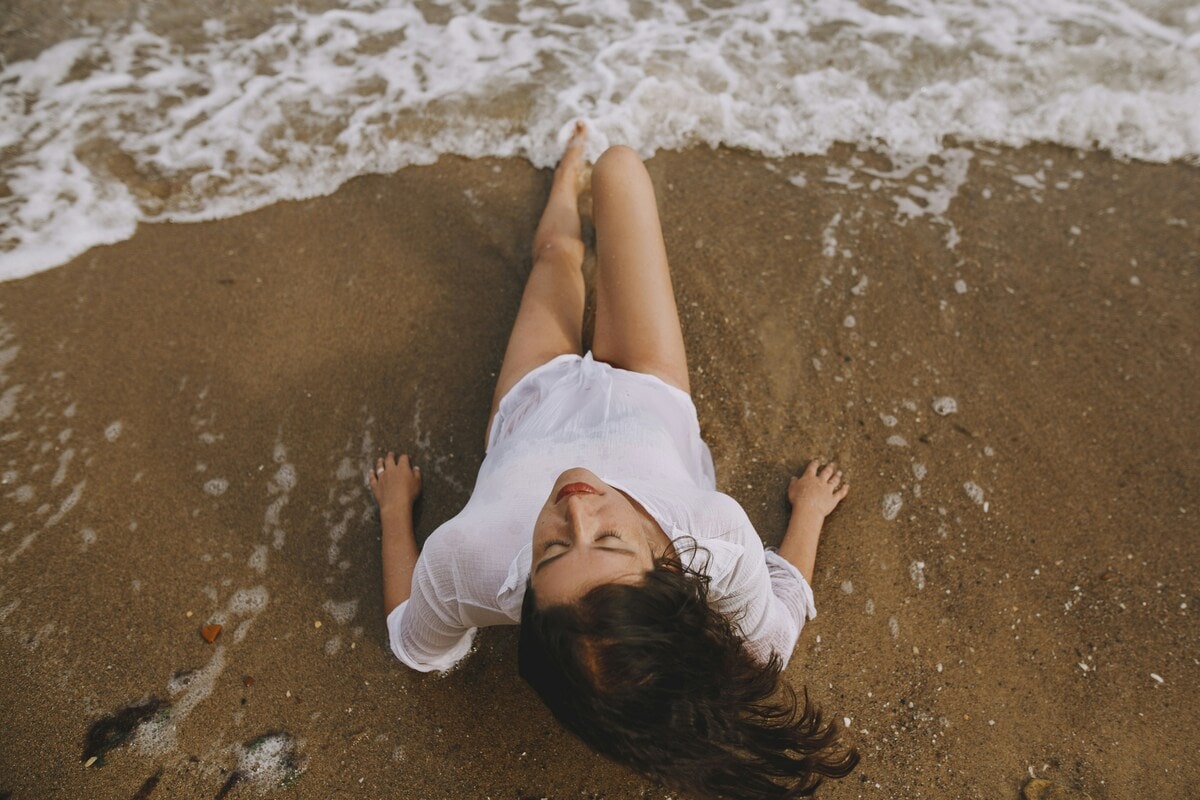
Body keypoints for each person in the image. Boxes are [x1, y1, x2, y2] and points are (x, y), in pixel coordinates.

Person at [369, 124, 858, 799]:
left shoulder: (466, 559)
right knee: (622, 167)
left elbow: (412, 643)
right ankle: (587, 160)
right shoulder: (714, 535)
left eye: (550, 552)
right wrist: (810, 514)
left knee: (558, 254)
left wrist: (395, 514)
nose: (574, 507)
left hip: (533, 403)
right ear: (670, 567)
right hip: (647, 386)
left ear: (528, 602)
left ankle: (564, 170)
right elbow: (783, 614)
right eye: (607, 539)